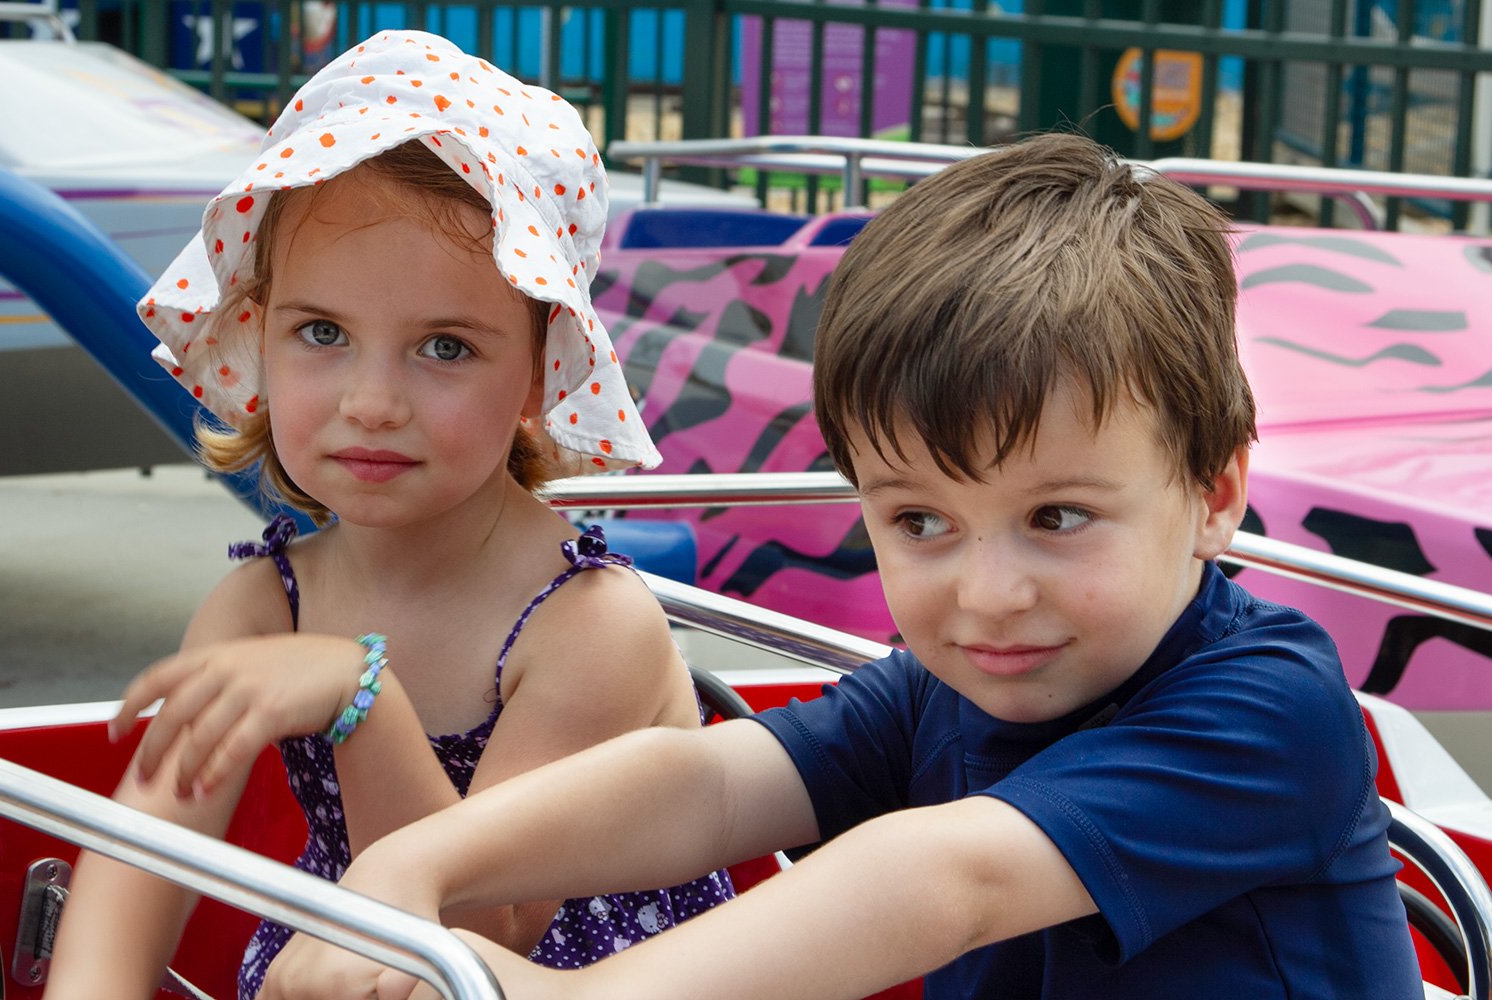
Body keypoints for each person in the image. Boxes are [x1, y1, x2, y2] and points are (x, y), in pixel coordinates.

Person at [168, 132, 1428, 1000]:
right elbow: (710, 783)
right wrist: (416, 867)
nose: (987, 593)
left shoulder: (1265, 707)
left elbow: (949, 877)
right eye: (922, 523)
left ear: (1214, 496)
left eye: (1057, 519)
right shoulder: (957, 682)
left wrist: (574, 989)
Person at [43, 30, 734, 1000]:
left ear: (541, 373)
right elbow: (134, 866)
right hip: (335, 972)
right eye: (322, 332)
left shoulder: (588, 623)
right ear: (258, 331)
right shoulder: (262, 602)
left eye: (444, 347)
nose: (372, 400)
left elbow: (472, 933)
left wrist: (358, 697)